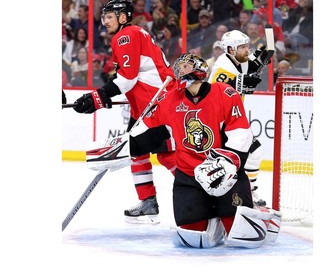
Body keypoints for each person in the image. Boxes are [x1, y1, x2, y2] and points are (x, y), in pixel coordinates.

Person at [85, 53, 282, 249]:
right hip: (188, 178)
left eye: (185, 67)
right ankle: (214, 218)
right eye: (178, 68)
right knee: (192, 237)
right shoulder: (170, 99)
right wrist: (118, 149)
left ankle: (258, 213)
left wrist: (226, 163)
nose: (180, 72)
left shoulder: (224, 93)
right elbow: (146, 132)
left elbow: (241, 133)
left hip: (226, 175)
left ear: (200, 69)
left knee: (242, 235)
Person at [72, 0, 176, 224]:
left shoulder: (125, 36)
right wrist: (104, 96)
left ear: (122, 17)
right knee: (136, 152)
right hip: (147, 103)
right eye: (104, 17)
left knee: (167, 154)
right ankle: (149, 201)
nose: (105, 21)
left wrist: (97, 97)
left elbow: (127, 79)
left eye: (109, 17)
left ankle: (198, 192)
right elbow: (127, 78)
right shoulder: (134, 33)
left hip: (155, 102)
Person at [208, 30, 273, 206]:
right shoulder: (222, 65)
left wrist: (262, 59)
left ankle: (248, 192)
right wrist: (241, 82)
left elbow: (252, 66)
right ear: (230, 49)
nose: (247, 50)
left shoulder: (240, 58)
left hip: (233, 119)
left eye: (247, 46)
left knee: (253, 152)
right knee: (234, 160)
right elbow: (215, 90)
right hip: (219, 122)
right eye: (243, 47)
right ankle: (228, 196)